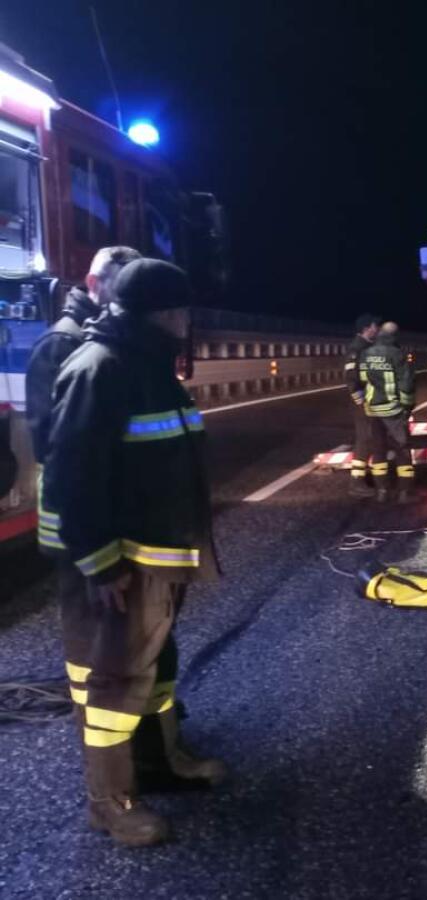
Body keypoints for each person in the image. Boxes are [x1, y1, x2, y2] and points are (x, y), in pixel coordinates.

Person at [42, 259, 225, 848]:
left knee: (155, 674)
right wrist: (102, 564)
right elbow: (72, 476)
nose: (188, 320)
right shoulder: (102, 367)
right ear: (164, 313)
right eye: (183, 309)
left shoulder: (148, 364)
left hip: (160, 558)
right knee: (116, 688)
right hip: (126, 565)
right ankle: (111, 803)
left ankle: (163, 762)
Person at [26, 247, 141, 494]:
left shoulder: (115, 338)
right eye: (121, 289)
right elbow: (49, 440)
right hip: (71, 498)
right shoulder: (60, 342)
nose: (128, 300)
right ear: (93, 282)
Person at [359, 322, 416, 503]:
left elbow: (362, 378)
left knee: (378, 451)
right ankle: (404, 493)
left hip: (373, 410)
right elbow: (406, 384)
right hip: (393, 411)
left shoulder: (366, 353)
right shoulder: (397, 354)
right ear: (395, 336)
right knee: (402, 451)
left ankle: (382, 491)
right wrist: (407, 407)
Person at [345, 314, 381, 497]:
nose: (378, 329)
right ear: (367, 327)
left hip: (370, 400)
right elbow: (351, 378)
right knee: (364, 439)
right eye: (376, 325)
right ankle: (356, 483)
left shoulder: (368, 347)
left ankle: (364, 479)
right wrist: (361, 401)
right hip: (363, 403)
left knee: (370, 439)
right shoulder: (356, 348)